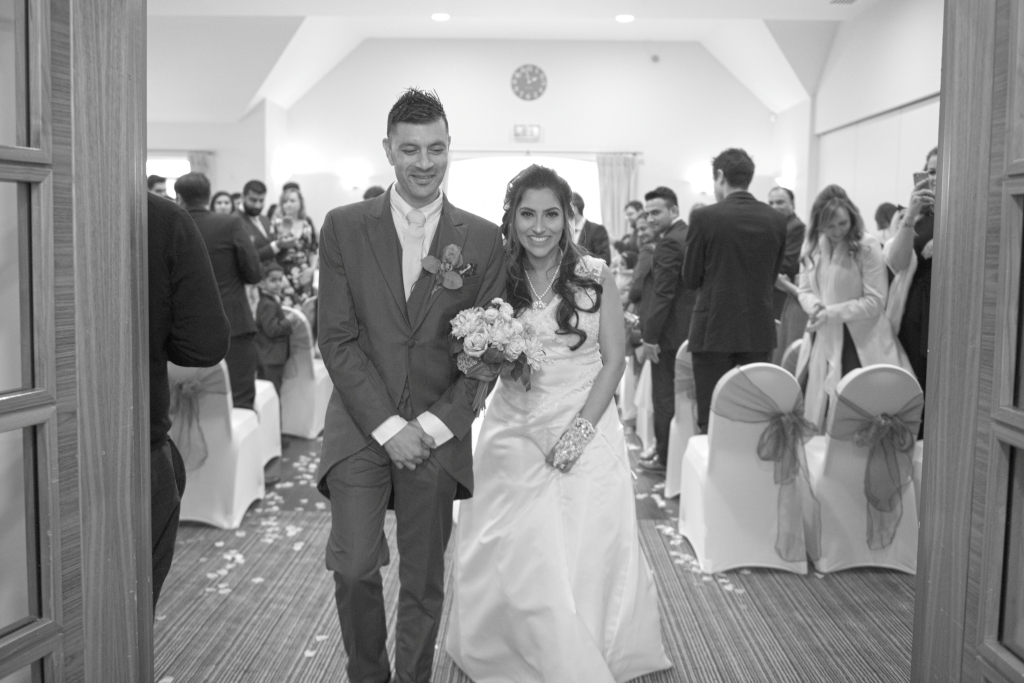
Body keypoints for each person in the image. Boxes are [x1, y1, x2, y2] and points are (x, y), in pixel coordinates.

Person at [446, 164, 671, 682]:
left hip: (585, 419)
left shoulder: (594, 274)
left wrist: (579, 434)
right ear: (512, 218)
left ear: (568, 218)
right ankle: (508, 648)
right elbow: (482, 359)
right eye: (527, 214)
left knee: (581, 546)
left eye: (551, 214)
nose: (539, 226)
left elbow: (613, 360)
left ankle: (580, 649)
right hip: (511, 425)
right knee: (508, 544)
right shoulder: (498, 275)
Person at [315, 88, 506, 683]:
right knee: (353, 566)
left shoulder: (483, 239)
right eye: (410, 150)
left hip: (436, 432)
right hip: (360, 424)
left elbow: (489, 353)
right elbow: (336, 338)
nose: (425, 163)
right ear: (388, 150)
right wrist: (387, 425)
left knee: (423, 581)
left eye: (436, 149)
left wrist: (430, 425)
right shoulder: (344, 226)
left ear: (449, 148)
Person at [147, 192, 230, 608]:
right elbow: (202, 345)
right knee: (129, 609)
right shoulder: (159, 217)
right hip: (136, 447)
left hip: (24, 440)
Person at [683, 149, 787, 434]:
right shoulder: (776, 220)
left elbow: (690, 278)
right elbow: (772, 274)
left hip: (713, 330)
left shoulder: (704, 217)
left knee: (712, 419)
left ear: (720, 176)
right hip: (758, 330)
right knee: (753, 419)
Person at [796, 185, 910, 430]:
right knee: (816, 409)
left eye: (842, 223)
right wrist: (814, 306)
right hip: (822, 335)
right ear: (819, 224)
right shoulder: (812, 244)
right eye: (830, 226)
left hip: (860, 340)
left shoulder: (867, 245)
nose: (837, 231)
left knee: (857, 414)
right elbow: (804, 289)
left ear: (852, 217)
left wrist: (829, 313)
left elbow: (875, 301)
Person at [175, 172, 263, 410]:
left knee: (193, 408)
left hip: (184, 328)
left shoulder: (172, 226)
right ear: (209, 196)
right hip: (232, 321)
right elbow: (254, 273)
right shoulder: (229, 224)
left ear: (179, 197)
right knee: (239, 404)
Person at [637, 186, 696, 472]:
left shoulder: (671, 242)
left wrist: (649, 336)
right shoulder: (687, 234)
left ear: (674, 210)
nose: (650, 219)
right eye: (647, 213)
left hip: (670, 333)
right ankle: (673, 455)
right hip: (687, 329)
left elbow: (663, 293)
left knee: (665, 397)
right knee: (681, 399)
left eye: (656, 212)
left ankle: (665, 458)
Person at [885, 147, 937, 422]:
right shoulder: (913, 217)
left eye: (940, 170)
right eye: (930, 171)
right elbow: (896, 262)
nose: (935, 177)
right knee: (913, 381)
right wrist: (911, 213)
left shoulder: (965, 211)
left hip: (947, 306)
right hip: (915, 308)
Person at [767, 186, 809, 364]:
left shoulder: (796, 227)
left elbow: (787, 263)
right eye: (771, 203)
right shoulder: (775, 227)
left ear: (792, 204)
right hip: (776, 292)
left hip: (785, 295)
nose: (775, 206)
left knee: (782, 350)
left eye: (780, 202)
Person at [272, 186, 319, 308]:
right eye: (285, 201)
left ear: (300, 203)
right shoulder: (276, 224)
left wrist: (311, 269)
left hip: (305, 274)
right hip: (283, 275)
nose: (288, 204)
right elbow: (272, 251)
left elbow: (313, 249)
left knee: (306, 309)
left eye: (292, 201)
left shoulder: (307, 223)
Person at [255, 262, 295, 397]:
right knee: (273, 395)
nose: (278, 284)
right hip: (270, 358)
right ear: (262, 283)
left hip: (271, 357)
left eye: (280, 280)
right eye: (273, 280)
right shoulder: (267, 304)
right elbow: (272, 330)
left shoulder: (271, 301)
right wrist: (289, 321)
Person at [238, 179, 297, 265]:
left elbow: (275, 258)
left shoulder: (264, 219)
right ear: (243, 197)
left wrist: (283, 239)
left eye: (261, 200)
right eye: (253, 200)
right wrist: (276, 245)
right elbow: (247, 258)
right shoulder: (234, 220)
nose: (257, 205)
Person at [569, 191, 612, 264]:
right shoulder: (564, 231)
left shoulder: (597, 230)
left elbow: (605, 259)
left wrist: (578, 259)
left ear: (574, 209)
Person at [613, 199, 644, 268]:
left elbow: (633, 253)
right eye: (627, 215)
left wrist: (614, 242)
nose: (628, 218)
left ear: (641, 212)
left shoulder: (642, 232)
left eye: (630, 214)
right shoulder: (634, 232)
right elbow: (629, 251)